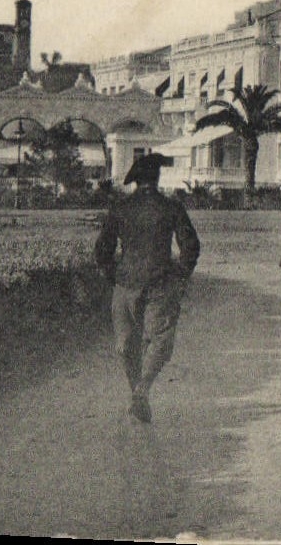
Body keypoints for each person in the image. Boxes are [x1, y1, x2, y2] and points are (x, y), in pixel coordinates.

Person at [94, 153, 201, 424]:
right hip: (160, 282)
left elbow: (102, 250)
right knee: (160, 340)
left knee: (126, 344)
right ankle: (142, 390)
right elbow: (191, 246)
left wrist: (115, 276)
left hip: (125, 285)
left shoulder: (120, 208)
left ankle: (137, 393)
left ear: (135, 181)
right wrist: (180, 275)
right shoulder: (171, 207)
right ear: (157, 178)